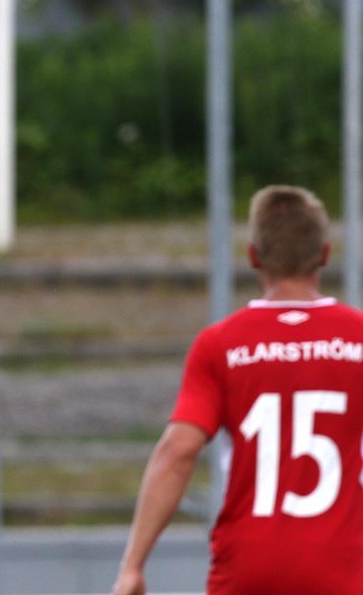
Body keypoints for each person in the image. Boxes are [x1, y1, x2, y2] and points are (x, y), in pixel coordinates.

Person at [111, 185, 363, 595]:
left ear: (252, 256)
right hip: (345, 570)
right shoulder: (358, 338)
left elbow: (178, 451)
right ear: (325, 254)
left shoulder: (221, 344)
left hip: (248, 570)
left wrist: (132, 566)